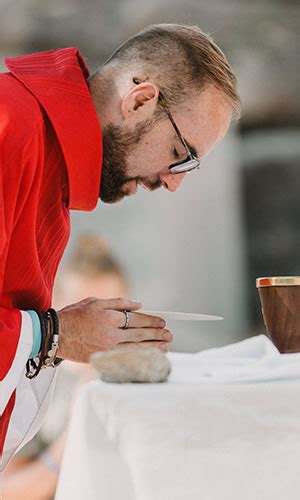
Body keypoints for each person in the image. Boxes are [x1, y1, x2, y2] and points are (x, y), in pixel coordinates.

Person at [0, 23, 241, 470]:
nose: (173, 183)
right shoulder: (9, 124)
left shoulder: (44, 152)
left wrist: (58, 333)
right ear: (140, 100)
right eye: (181, 153)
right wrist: (57, 335)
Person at [1, 234, 129, 499]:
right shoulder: (30, 378)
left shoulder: (151, 370)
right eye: (88, 314)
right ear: (58, 307)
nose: (102, 328)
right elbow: (9, 490)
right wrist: (76, 432)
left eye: (114, 312)